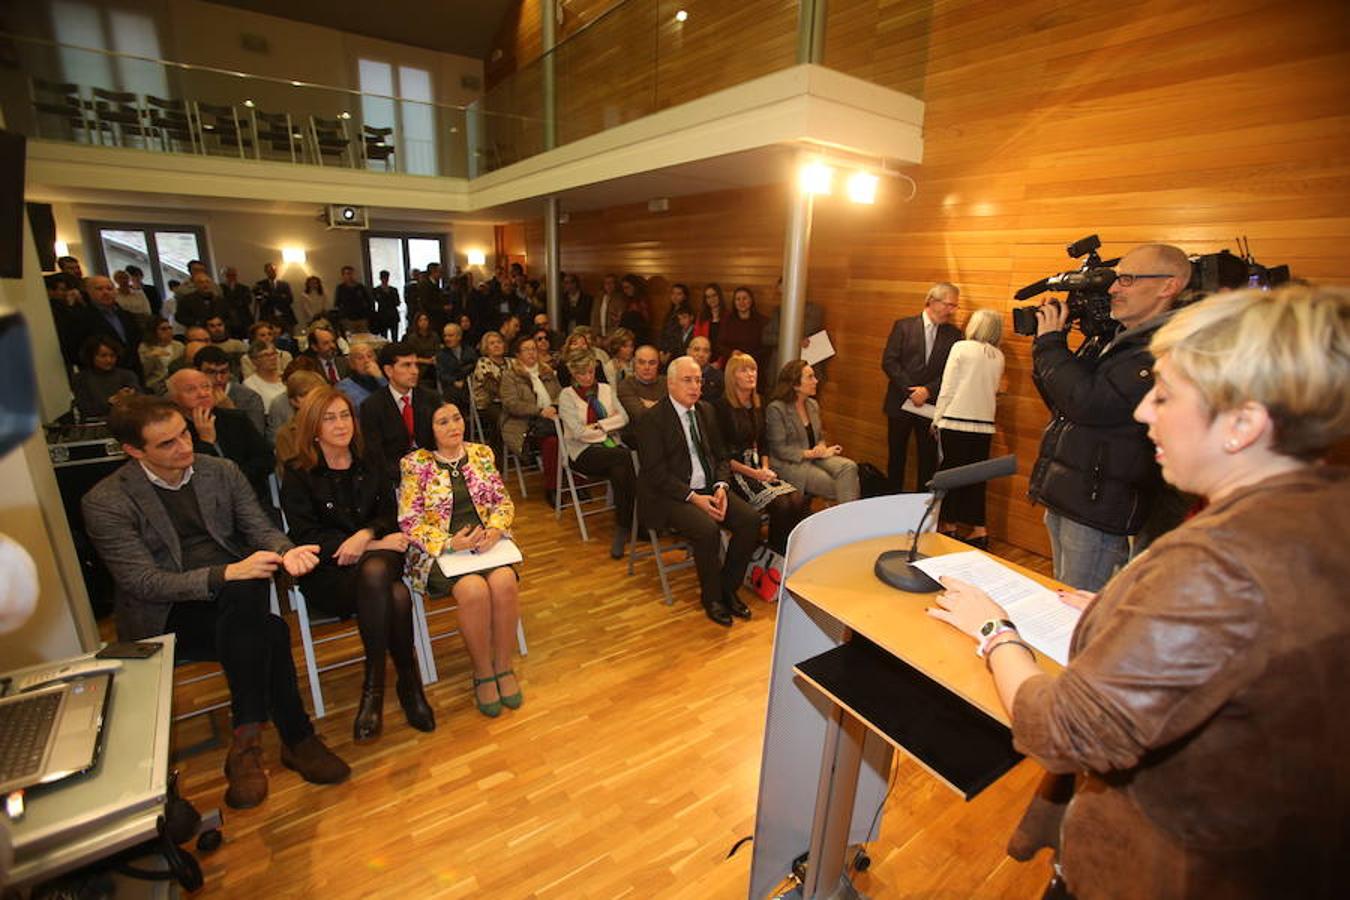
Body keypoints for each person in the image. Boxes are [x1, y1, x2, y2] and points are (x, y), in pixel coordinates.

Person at [926, 285, 1349, 900]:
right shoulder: (1316, 512)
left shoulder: (1216, 564)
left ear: (1242, 424)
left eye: (1166, 394)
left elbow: (1063, 730)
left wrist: (994, 630)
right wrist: (1123, 611)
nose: (1145, 411)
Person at [84, 397, 349, 810]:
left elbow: (258, 526)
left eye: (185, 434)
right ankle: (296, 738)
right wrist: (225, 574)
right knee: (270, 628)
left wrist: (285, 550)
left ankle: (246, 739)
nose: (185, 447)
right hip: (168, 615)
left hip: (233, 605)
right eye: (167, 444)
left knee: (248, 595)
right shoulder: (107, 501)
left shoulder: (219, 471)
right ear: (135, 451)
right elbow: (142, 582)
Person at [1028, 244, 1191, 591]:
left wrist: (1051, 346)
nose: (1114, 288)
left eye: (1127, 280)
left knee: (1079, 609)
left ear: (1168, 286)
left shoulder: (1160, 348)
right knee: (1063, 597)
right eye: (1117, 279)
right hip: (1072, 491)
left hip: (1098, 504)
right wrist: (1048, 350)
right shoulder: (1114, 340)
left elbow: (1089, 403)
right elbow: (1063, 404)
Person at [280, 388, 433, 741]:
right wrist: (374, 543)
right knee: (396, 596)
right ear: (313, 428)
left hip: (379, 557)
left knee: (377, 572)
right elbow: (306, 535)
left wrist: (367, 537)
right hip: (329, 572)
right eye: (329, 418)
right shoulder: (300, 472)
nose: (340, 425)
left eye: (345, 415)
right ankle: (408, 683)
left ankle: (374, 687)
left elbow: (389, 515)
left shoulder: (370, 459)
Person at [399, 402, 523, 717]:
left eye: (456, 418)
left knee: (505, 582)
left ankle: (504, 667)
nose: (454, 426)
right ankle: (483, 672)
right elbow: (410, 522)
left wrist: (495, 530)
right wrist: (450, 542)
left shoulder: (482, 454)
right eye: (443, 422)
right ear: (429, 429)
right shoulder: (415, 464)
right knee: (473, 591)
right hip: (441, 551)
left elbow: (502, 501)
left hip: (485, 544)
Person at [636, 356, 760, 627]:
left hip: (708, 488)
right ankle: (712, 598)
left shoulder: (706, 411)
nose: (695, 386)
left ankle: (728, 588)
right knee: (707, 530)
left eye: (698, 380)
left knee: (750, 520)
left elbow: (721, 457)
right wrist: (694, 498)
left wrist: (721, 487)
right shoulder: (652, 419)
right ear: (670, 383)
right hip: (670, 495)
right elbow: (656, 473)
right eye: (687, 380)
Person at [713, 352, 807, 555]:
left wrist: (764, 468)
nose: (750, 374)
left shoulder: (758, 403)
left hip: (758, 468)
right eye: (744, 370)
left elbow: (764, 442)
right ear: (732, 376)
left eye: (753, 369)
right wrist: (755, 473)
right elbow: (721, 455)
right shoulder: (721, 407)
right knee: (781, 505)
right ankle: (772, 556)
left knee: (797, 499)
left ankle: (786, 554)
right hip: (736, 473)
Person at [932, 309, 1006, 548]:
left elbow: (948, 386)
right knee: (976, 480)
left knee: (950, 476)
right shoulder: (999, 356)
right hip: (984, 427)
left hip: (955, 421)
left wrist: (936, 418)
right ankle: (979, 529)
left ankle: (949, 526)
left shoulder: (961, 348)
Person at [881, 282, 962, 492]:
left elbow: (951, 372)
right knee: (896, 457)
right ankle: (890, 504)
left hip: (930, 408)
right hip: (900, 404)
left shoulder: (954, 335)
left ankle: (921, 512)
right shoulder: (903, 326)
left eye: (955, 307)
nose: (952, 311)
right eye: (949, 305)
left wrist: (927, 391)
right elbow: (889, 362)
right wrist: (911, 391)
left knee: (928, 462)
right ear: (932, 302)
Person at [558, 349, 635, 558]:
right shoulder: (566, 396)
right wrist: (606, 429)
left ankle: (623, 526)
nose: (587, 377)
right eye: (581, 373)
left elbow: (625, 418)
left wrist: (598, 426)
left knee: (621, 467)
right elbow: (578, 433)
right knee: (626, 458)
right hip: (583, 453)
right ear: (573, 374)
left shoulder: (606, 389)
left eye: (590, 371)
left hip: (612, 449)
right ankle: (634, 524)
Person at [166, 367, 273, 502]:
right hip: (205, 503)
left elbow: (266, 459)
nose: (202, 393)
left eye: (206, 387)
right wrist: (206, 442)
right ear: (175, 398)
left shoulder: (236, 419)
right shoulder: (173, 432)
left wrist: (235, 481)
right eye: (191, 390)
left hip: (249, 495)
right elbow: (190, 478)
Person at [766, 360, 860, 504]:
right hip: (790, 464)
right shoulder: (777, 409)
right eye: (810, 377)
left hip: (815, 458)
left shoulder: (812, 405)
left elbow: (819, 437)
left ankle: (845, 522)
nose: (816, 381)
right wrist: (811, 453)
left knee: (850, 468)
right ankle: (848, 523)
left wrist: (821, 447)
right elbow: (779, 450)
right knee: (842, 486)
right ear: (796, 384)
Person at [360, 341, 439, 488]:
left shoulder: (431, 399)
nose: (415, 371)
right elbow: (375, 454)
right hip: (392, 479)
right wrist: (405, 476)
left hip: (432, 474)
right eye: (406, 365)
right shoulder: (372, 406)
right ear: (389, 370)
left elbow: (439, 441)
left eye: (416, 365)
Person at [499, 335, 562, 492]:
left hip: (553, 418)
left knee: (573, 436)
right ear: (518, 354)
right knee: (553, 442)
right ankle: (552, 488)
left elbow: (561, 394)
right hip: (524, 425)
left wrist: (554, 406)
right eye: (526, 350)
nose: (531, 353)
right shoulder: (510, 375)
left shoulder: (547, 371)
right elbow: (511, 404)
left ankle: (576, 483)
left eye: (533, 349)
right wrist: (540, 411)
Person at [72, 274, 143, 380]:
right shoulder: (81, 318)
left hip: (132, 372)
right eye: (99, 289)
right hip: (101, 376)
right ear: (89, 292)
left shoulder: (126, 315)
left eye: (109, 288)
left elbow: (135, 341)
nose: (105, 292)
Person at [195, 344, 265, 438]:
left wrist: (232, 413)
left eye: (224, 372)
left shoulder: (250, 398)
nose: (219, 379)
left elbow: (256, 439)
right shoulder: (188, 396)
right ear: (196, 371)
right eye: (211, 372)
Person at [73, 335, 141, 418]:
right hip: (96, 423)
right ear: (91, 357)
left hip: (125, 420)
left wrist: (131, 396)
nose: (109, 360)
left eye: (112, 356)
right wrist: (112, 401)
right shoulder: (81, 379)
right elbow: (85, 409)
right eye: (103, 356)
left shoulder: (127, 375)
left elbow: (141, 399)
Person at [272, 370, 327, 469]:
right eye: (306, 395)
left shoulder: (335, 423)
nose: (314, 399)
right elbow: (290, 473)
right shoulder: (286, 434)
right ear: (294, 401)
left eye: (319, 393)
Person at [616, 344, 667, 431]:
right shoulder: (626, 385)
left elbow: (680, 411)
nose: (647, 367)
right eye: (641, 362)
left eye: (652, 363)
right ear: (634, 363)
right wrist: (665, 405)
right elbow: (641, 415)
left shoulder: (668, 382)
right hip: (638, 437)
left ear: (658, 364)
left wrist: (651, 405)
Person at [717, 285, 768, 370]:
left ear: (751, 300)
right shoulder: (727, 320)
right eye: (738, 299)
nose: (741, 302)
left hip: (753, 366)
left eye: (745, 298)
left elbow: (765, 349)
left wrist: (746, 357)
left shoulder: (761, 322)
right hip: (731, 365)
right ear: (734, 302)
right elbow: (719, 345)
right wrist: (731, 353)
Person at [436, 322, 478, 416]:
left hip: (470, 385)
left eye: (450, 336)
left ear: (459, 337)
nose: (447, 339)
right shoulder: (441, 355)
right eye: (445, 336)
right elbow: (441, 374)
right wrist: (454, 381)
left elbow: (475, 368)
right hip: (451, 387)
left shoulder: (470, 351)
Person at [336, 340, 387, 408]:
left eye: (369, 356)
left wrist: (380, 378)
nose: (366, 360)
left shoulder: (387, 378)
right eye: (360, 358)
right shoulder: (343, 387)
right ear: (351, 364)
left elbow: (395, 402)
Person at [138, 315, 183, 393]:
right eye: (163, 329)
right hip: (155, 384)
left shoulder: (179, 346)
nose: (168, 331)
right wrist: (151, 357)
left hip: (176, 382)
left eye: (170, 328)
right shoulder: (145, 347)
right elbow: (144, 373)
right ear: (153, 331)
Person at [242, 339, 288, 413]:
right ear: (255, 360)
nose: (272, 358)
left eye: (274, 354)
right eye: (266, 355)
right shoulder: (249, 385)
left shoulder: (287, 377)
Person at [658, 283, 695, 364]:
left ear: (685, 296)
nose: (675, 296)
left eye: (679, 294)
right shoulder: (669, 312)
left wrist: (669, 353)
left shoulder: (686, 312)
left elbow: (678, 335)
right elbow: (663, 332)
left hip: (675, 351)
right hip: (664, 349)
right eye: (673, 293)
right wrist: (661, 351)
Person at [254, 262, 296, 330]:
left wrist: (269, 296)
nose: (272, 272)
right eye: (269, 271)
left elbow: (290, 300)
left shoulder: (284, 284)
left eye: (273, 270)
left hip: (285, 316)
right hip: (267, 316)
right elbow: (260, 301)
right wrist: (280, 297)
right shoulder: (260, 285)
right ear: (266, 272)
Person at [334, 265, 374, 334]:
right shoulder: (341, 288)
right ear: (343, 275)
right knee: (351, 338)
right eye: (347, 274)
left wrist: (367, 314)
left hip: (361, 318)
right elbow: (337, 303)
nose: (349, 276)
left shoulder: (360, 287)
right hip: (348, 319)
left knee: (364, 336)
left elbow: (368, 301)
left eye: (351, 273)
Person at [219, 266, 254, 338]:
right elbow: (221, 301)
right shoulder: (220, 288)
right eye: (229, 275)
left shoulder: (244, 288)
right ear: (225, 276)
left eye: (233, 275)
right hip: (228, 319)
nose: (232, 277)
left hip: (243, 319)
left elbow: (248, 300)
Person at [687, 335, 722, 401]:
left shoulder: (718, 377)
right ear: (688, 352)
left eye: (706, 351)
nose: (701, 354)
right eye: (696, 350)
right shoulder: (678, 373)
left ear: (710, 354)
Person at [695, 284, 725, 361]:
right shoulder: (701, 317)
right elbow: (697, 339)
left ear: (719, 296)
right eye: (708, 297)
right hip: (704, 358)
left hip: (723, 358)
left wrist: (719, 362)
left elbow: (729, 343)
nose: (712, 299)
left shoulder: (728, 316)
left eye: (714, 295)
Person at [372, 269, 401, 339]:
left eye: (386, 277)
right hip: (382, 316)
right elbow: (374, 302)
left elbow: (397, 302)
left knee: (395, 337)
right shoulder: (376, 290)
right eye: (383, 277)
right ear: (380, 278)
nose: (385, 279)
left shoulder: (394, 290)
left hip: (393, 315)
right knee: (383, 337)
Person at [591, 273, 623, 337]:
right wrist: (596, 335)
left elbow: (619, 321)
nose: (608, 285)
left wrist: (610, 337)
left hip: (614, 335)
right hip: (599, 334)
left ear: (616, 284)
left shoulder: (620, 299)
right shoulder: (599, 298)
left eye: (611, 282)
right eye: (606, 283)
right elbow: (594, 317)